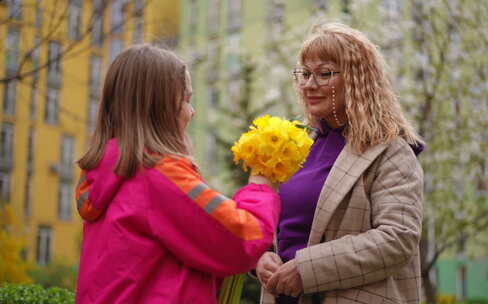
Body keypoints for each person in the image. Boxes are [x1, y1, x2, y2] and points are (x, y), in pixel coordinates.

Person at [74, 44, 280, 304]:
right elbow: (241, 240)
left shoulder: (107, 172)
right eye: (186, 100)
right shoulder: (158, 174)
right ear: (161, 107)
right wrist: (260, 186)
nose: (191, 112)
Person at [255, 22, 425, 304]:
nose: (309, 85)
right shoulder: (299, 146)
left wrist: (306, 269)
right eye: (305, 74)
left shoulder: (390, 151)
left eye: (324, 74)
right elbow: (279, 229)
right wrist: (261, 258)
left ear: (357, 80)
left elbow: (398, 238)